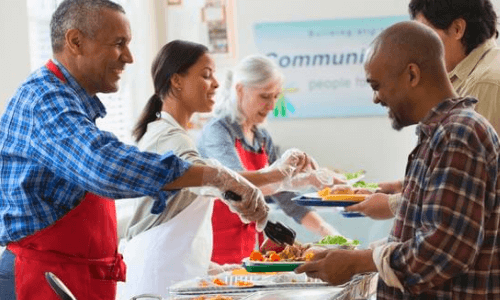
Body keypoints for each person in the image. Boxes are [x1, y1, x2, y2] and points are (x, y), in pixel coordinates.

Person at [0, 1, 269, 300]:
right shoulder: (46, 100)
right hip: (40, 280)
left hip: (72, 275)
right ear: (75, 41)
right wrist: (217, 176)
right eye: (119, 44)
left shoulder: (72, 106)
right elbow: (105, 166)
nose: (129, 57)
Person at [296, 20, 500, 299]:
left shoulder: (458, 134)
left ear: (412, 75)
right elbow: (418, 235)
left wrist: (359, 262)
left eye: (377, 85)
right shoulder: (438, 133)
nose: (376, 99)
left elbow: (443, 250)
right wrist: (354, 256)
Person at [119, 40, 314, 299]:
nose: (216, 84)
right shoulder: (169, 137)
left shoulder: (174, 133)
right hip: (159, 279)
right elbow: (208, 177)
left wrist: (212, 269)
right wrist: (278, 172)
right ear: (177, 81)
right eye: (206, 75)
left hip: (175, 271)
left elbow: (181, 214)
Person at [345, 0, 500, 220]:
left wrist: (393, 205)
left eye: (425, 33)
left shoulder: (484, 82)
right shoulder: (467, 76)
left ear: (457, 29)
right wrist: (403, 186)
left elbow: (466, 187)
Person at [197, 55, 343, 265]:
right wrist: (301, 180)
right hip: (215, 249)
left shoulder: (262, 138)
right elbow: (237, 186)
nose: (272, 105)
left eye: (276, 97)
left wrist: (326, 232)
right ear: (240, 90)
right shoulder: (217, 132)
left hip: (248, 247)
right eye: (265, 96)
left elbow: (288, 200)